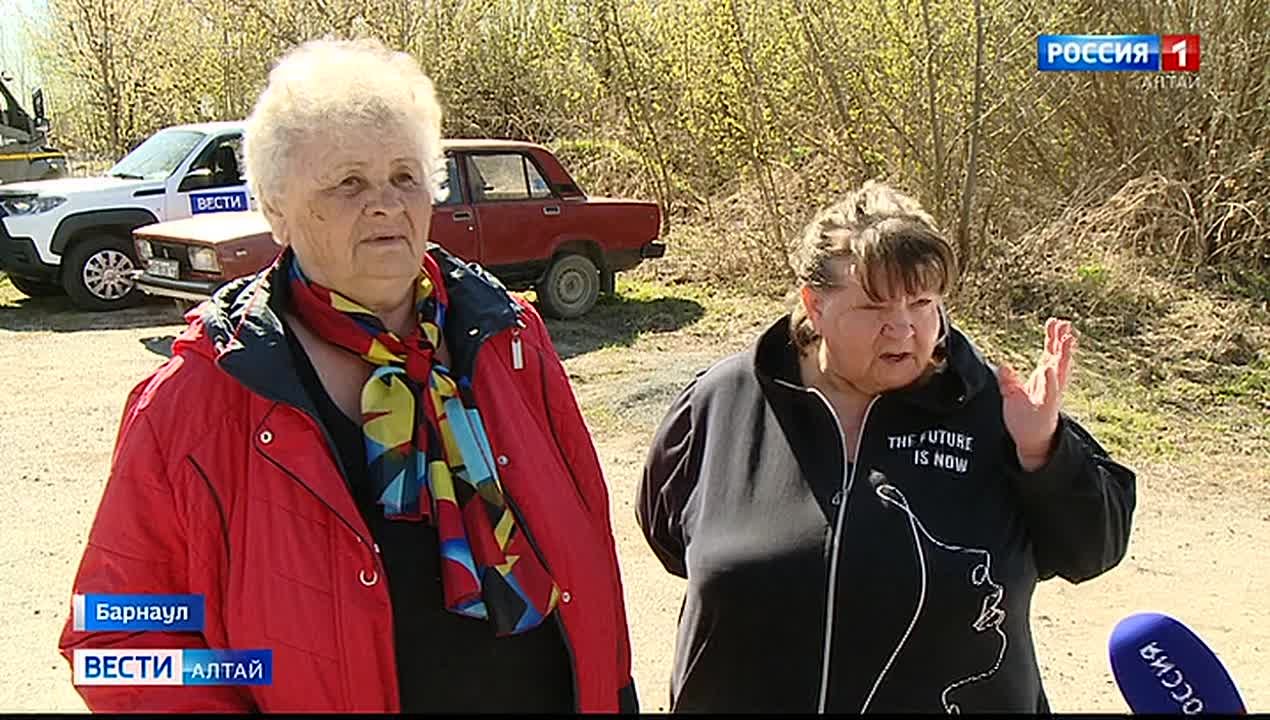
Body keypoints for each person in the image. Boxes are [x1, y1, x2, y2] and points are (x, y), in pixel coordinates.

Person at [59, 37, 637, 713]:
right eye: (348, 182)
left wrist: (613, 692)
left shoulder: (509, 340)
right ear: (276, 208)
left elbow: (590, 554)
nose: (386, 203)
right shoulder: (200, 395)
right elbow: (120, 639)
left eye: (405, 176)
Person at [637, 180, 1137, 713]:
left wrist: (1041, 451)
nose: (902, 330)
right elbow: (668, 535)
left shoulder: (996, 409)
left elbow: (1093, 551)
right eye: (874, 307)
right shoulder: (725, 401)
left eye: (921, 303)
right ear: (815, 305)